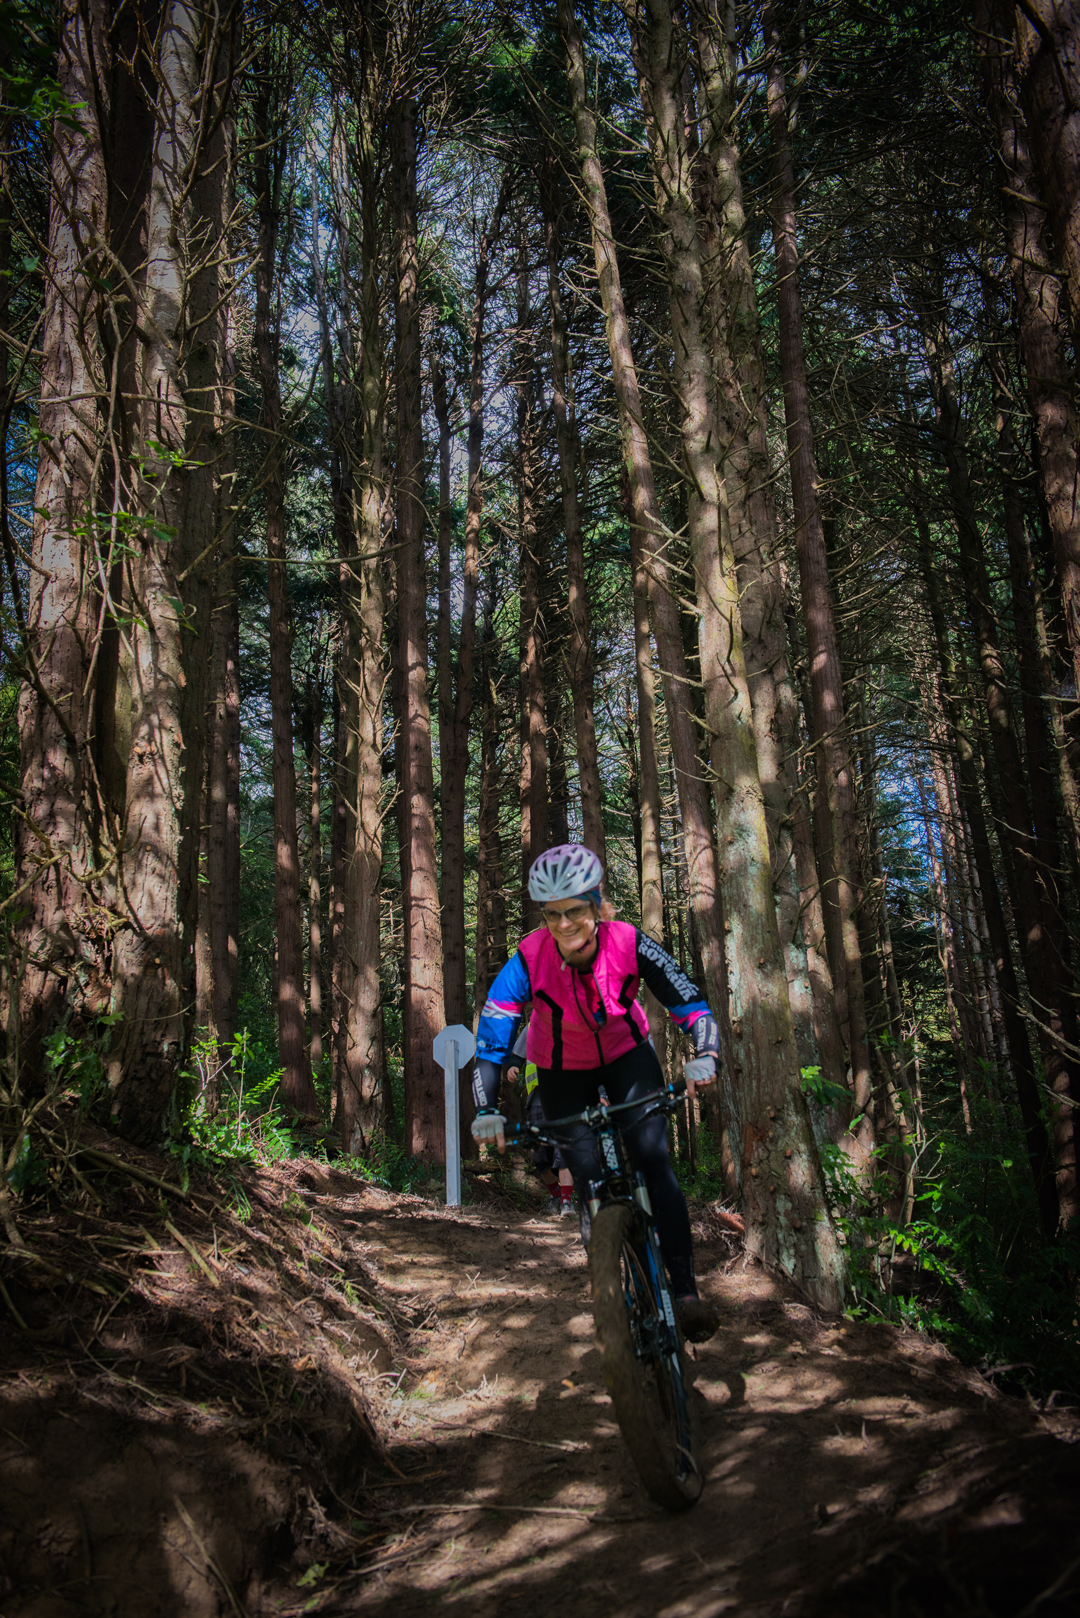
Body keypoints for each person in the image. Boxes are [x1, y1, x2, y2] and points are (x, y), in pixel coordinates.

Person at [470, 843, 721, 1343]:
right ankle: (606, 1255)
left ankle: (686, 1291)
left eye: (575, 911)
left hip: (629, 1056)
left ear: (596, 903)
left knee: (653, 1159)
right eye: (552, 914)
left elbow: (688, 1000)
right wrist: (485, 1108)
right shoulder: (527, 957)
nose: (564, 925)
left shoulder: (629, 942)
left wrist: (705, 1053)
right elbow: (492, 1035)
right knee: (585, 1173)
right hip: (562, 1069)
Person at [505, 1029, 575, 1216]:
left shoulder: (574, 1020)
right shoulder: (533, 1025)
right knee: (540, 1155)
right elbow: (516, 1056)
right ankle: (555, 1195)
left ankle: (567, 1201)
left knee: (563, 1151)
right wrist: (512, 1067)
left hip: (567, 1098)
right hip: (538, 1099)